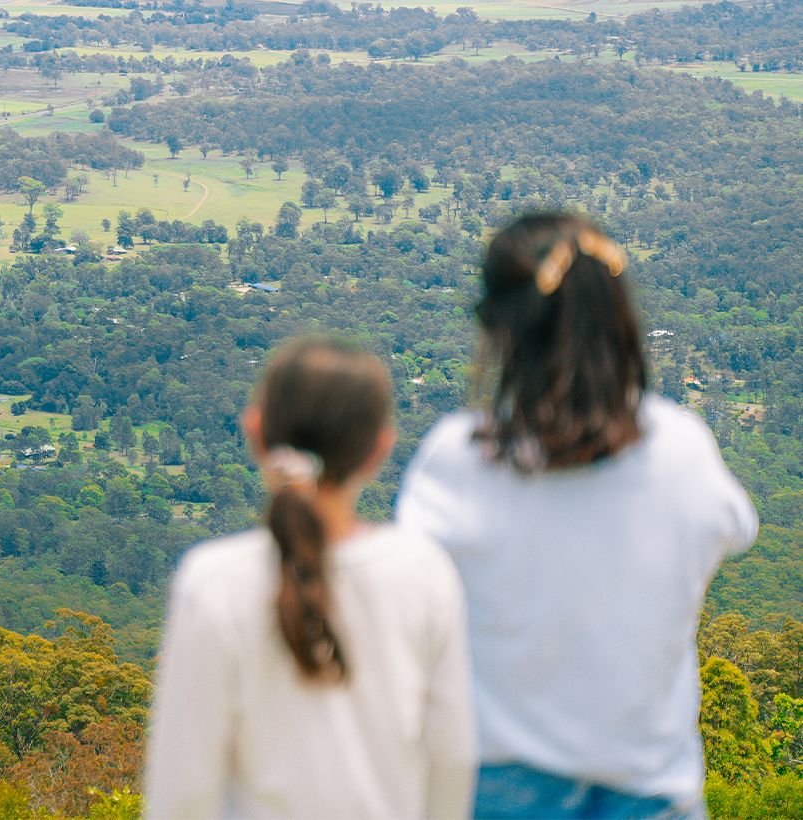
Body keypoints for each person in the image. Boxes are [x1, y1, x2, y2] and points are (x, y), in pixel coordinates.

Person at [396, 214, 759, 818]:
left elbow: (408, 599)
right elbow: (732, 529)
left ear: (500, 329)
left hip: (498, 787)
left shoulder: (460, 458)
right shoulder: (681, 448)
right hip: (651, 789)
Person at [144, 338, 475, 819]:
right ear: (378, 450)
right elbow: (451, 760)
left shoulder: (213, 582)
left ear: (256, 432)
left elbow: (183, 794)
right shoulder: (424, 574)